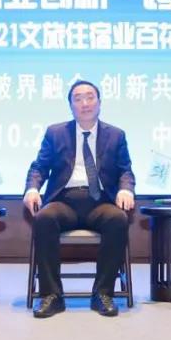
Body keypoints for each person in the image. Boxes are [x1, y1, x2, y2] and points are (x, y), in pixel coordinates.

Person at [24, 80, 136, 318]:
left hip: (100, 202)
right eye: (78, 99)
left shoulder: (116, 135)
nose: (85, 103)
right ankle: (52, 296)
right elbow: (39, 167)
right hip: (65, 201)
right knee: (44, 218)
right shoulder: (55, 133)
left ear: (99, 102)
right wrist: (32, 189)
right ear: (71, 106)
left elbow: (125, 171)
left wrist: (126, 190)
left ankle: (103, 294)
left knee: (118, 219)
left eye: (90, 97)